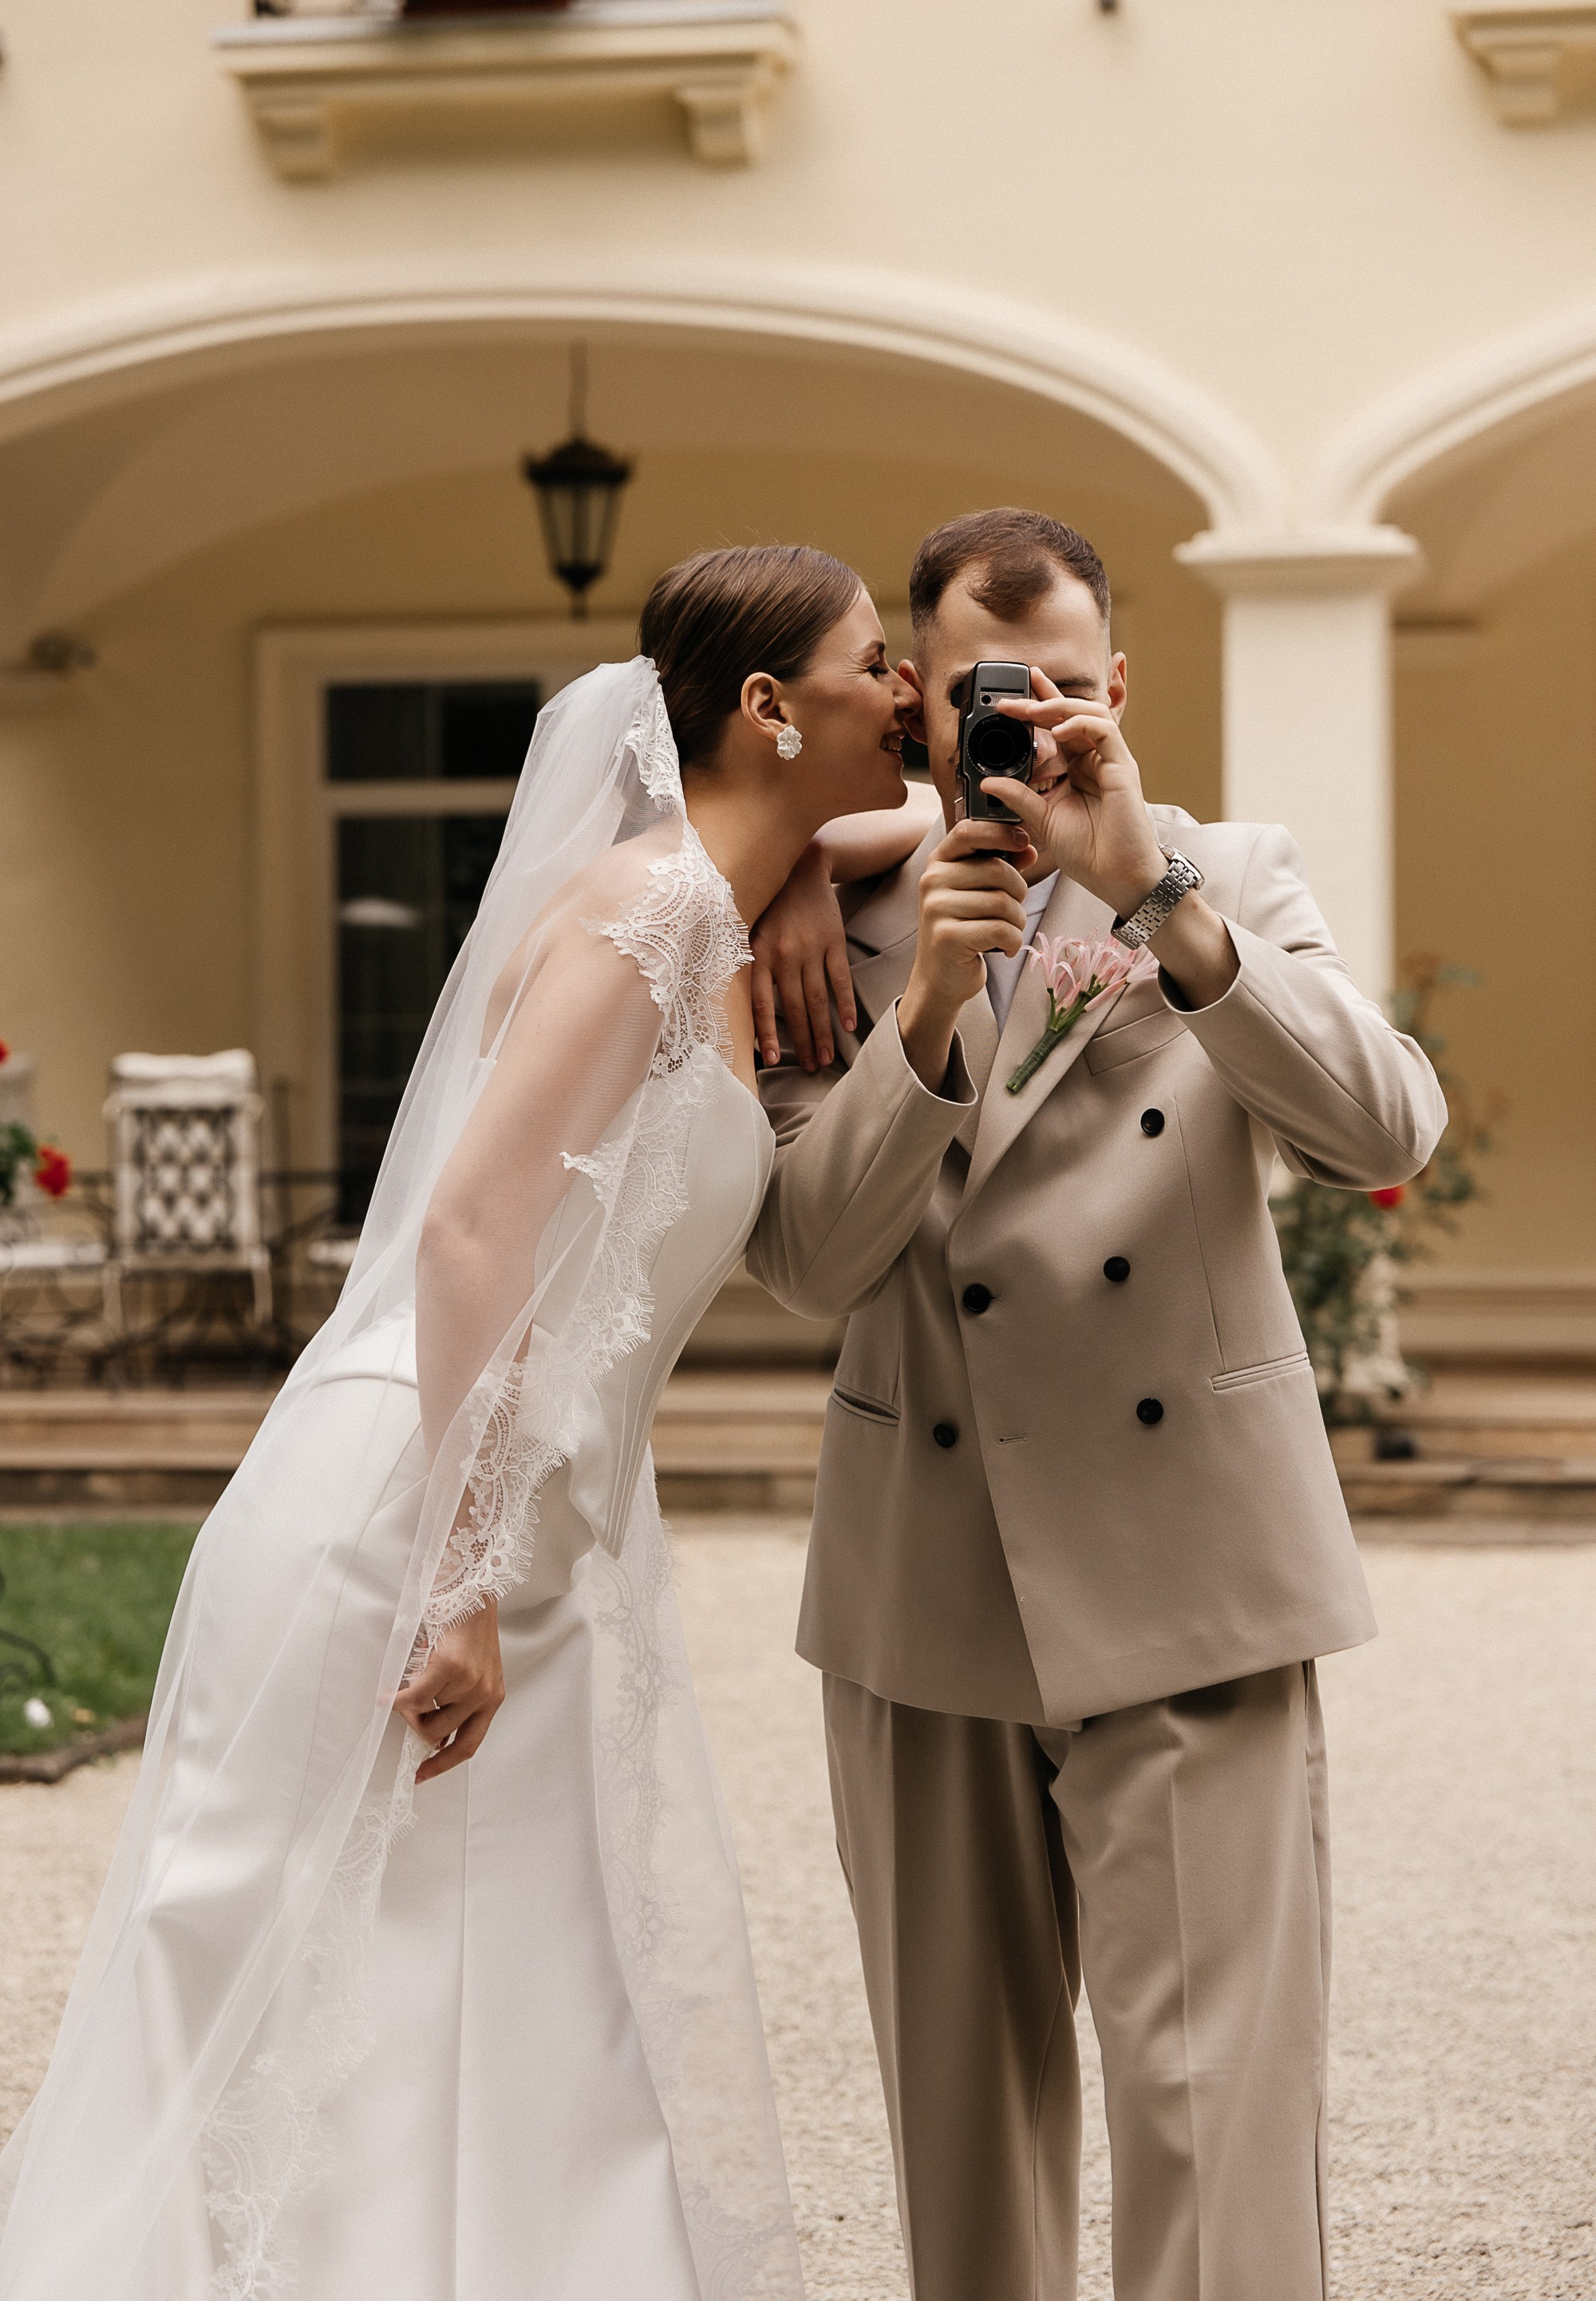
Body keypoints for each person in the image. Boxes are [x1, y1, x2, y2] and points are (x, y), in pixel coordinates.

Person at [0, 544, 935, 2301]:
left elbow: (931, 810)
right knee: (311, 1978)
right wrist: (455, 1579)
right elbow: (473, 1231)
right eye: (876, 663)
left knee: (495, 1987)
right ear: (761, 706)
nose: (908, 697)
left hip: (525, 1527)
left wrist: (804, 850)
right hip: (415, 1512)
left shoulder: (705, 903)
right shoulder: (651, 914)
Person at [745, 508, 1448, 2301]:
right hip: (925, 1579)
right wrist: (929, 1018)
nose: (1027, 724)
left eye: (1061, 687)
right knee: (964, 2147)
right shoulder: (820, 919)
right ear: (909, 694)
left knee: (1217, 2126)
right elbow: (809, 1266)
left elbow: (1384, 1134)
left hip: (1193, 1565)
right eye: (989, 689)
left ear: (1118, 689)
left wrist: (1162, 899)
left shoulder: (1229, 870)